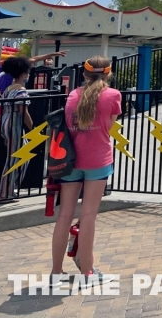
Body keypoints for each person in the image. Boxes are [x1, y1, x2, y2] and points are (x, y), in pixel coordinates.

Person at [52, 57, 121, 282]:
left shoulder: (72, 95)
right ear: (108, 73)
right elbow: (109, 126)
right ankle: (87, 272)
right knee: (88, 215)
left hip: (70, 160)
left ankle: (56, 271)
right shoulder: (113, 96)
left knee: (64, 215)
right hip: (97, 160)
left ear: (84, 74)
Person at [0, 56, 33, 203]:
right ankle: (6, 192)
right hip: (15, 123)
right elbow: (24, 112)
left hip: (6, 122)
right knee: (15, 159)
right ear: (24, 74)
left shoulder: (8, 89)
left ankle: (8, 189)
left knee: (17, 156)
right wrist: (33, 128)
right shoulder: (21, 90)